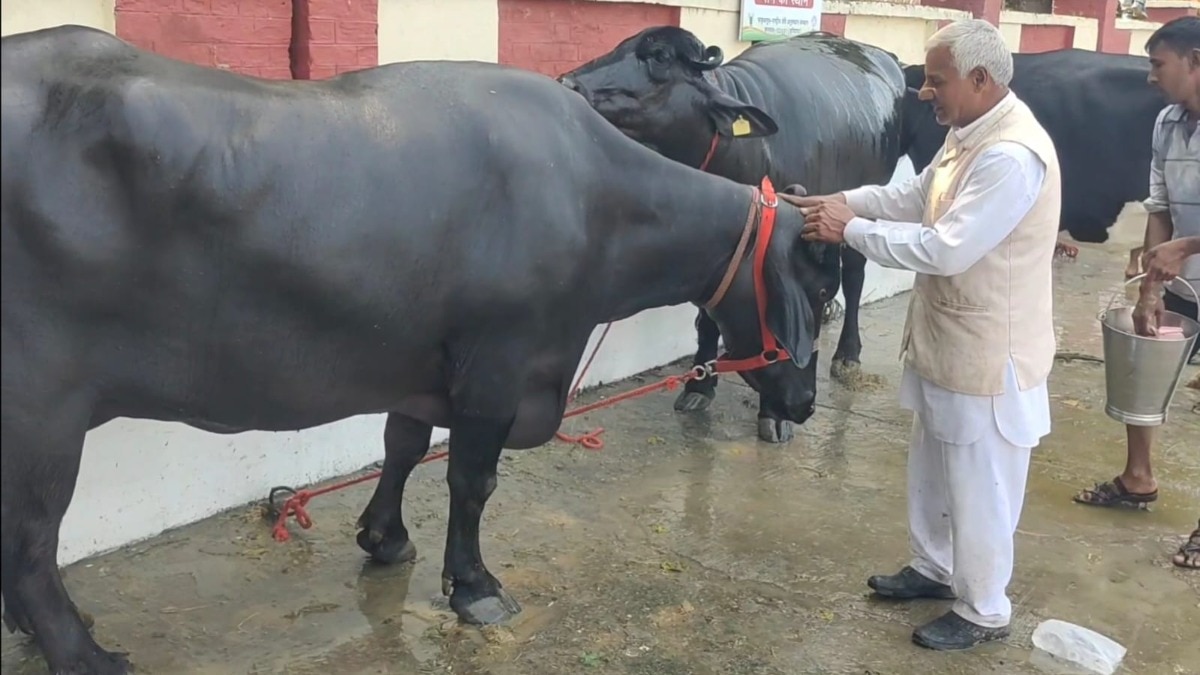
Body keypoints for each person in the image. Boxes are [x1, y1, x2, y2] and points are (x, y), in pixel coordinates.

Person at [784, 19, 1060, 650]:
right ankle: (934, 567)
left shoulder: (1010, 155)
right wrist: (838, 200)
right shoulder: (967, 135)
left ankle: (985, 609)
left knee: (980, 483)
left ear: (980, 79)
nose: (924, 92)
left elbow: (945, 248)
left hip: (988, 354)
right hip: (947, 341)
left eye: (937, 80)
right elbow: (913, 196)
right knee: (934, 464)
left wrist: (848, 230)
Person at [1072, 17, 1199, 574]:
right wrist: (1152, 282)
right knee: (1144, 365)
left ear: (1195, 62)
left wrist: (1186, 246)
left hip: (1188, 260)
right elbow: (1159, 205)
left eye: (1158, 65)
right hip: (1186, 280)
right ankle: (1137, 478)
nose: (1151, 77)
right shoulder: (1168, 122)